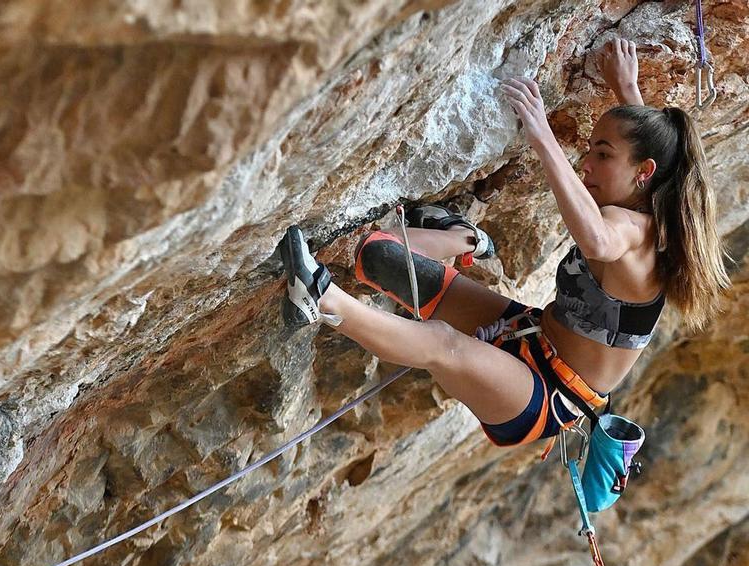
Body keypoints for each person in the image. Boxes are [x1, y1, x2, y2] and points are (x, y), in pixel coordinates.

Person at [278, 38, 731, 447]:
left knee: (442, 343)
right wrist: (626, 90)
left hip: (544, 396)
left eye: (600, 154)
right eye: (590, 149)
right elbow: (652, 157)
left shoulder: (634, 230)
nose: (586, 164)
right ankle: (463, 238)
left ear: (642, 171)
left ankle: (318, 295)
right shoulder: (658, 202)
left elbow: (597, 240)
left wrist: (541, 133)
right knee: (378, 256)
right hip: (530, 333)